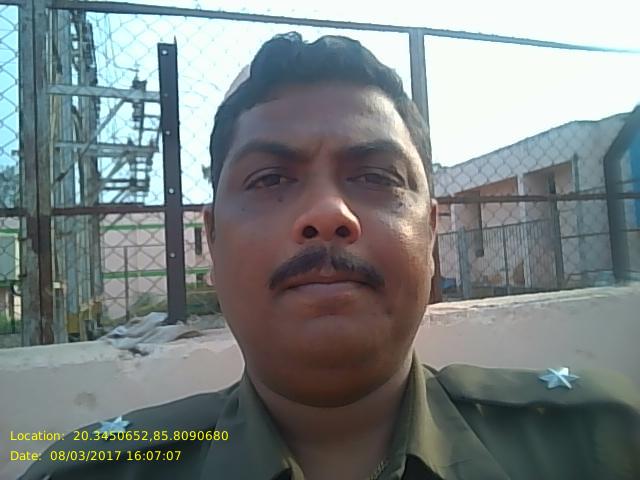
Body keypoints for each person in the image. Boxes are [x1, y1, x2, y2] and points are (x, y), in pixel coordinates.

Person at [21, 32, 639, 480]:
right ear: (211, 240)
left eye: (376, 176)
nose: (327, 214)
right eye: (269, 179)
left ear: (430, 234)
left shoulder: (605, 438)